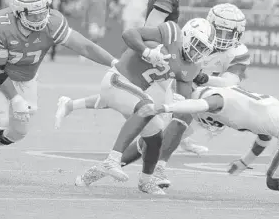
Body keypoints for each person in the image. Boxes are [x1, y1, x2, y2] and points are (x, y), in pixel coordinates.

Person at [0, 0, 118, 182]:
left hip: (27, 79)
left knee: (19, 131)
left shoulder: (53, 22)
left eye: (43, 12)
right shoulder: (0, 23)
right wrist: (14, 98)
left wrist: (114, 62)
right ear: (18, 12)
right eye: (33, 14)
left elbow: (84, 47)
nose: (40, 18)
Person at [54, 0, 207, 154]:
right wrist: (159, 51)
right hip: (156, 50)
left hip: (155, 48)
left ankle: (70, 104)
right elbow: (152, 26)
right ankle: (180, 138)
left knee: (116, 95)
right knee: (173, 93)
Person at [119, 3, 257, 188]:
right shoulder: (195, 34)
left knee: (154, 140)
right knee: (176, 123)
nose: (224, 38)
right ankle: (157, 170)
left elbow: (230, 82)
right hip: (183, 85)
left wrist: (203, 77)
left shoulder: (238, 52)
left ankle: (114, 162)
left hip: (206, 99)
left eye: (229, 34)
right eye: (220, 32)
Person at [73, 18, 216, 195]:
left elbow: (183, 98)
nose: (198, 51)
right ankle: (112, 160)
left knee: (156, 134)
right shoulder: (171, 33)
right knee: (147, 105)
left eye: (204, 49)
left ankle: (143, 181)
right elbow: (129, 34)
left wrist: (181, 106)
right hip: (117, 79)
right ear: (187, 35)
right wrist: (147, 51)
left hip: (133, 93)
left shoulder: (191, 67)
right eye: (197, 44)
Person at [137, 85, 279, 204]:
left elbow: (202, 104)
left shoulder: (218, 101)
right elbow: (264, 136)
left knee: (274, 180)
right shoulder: (239, 97)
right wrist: (244, 162)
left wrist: (162, 107)